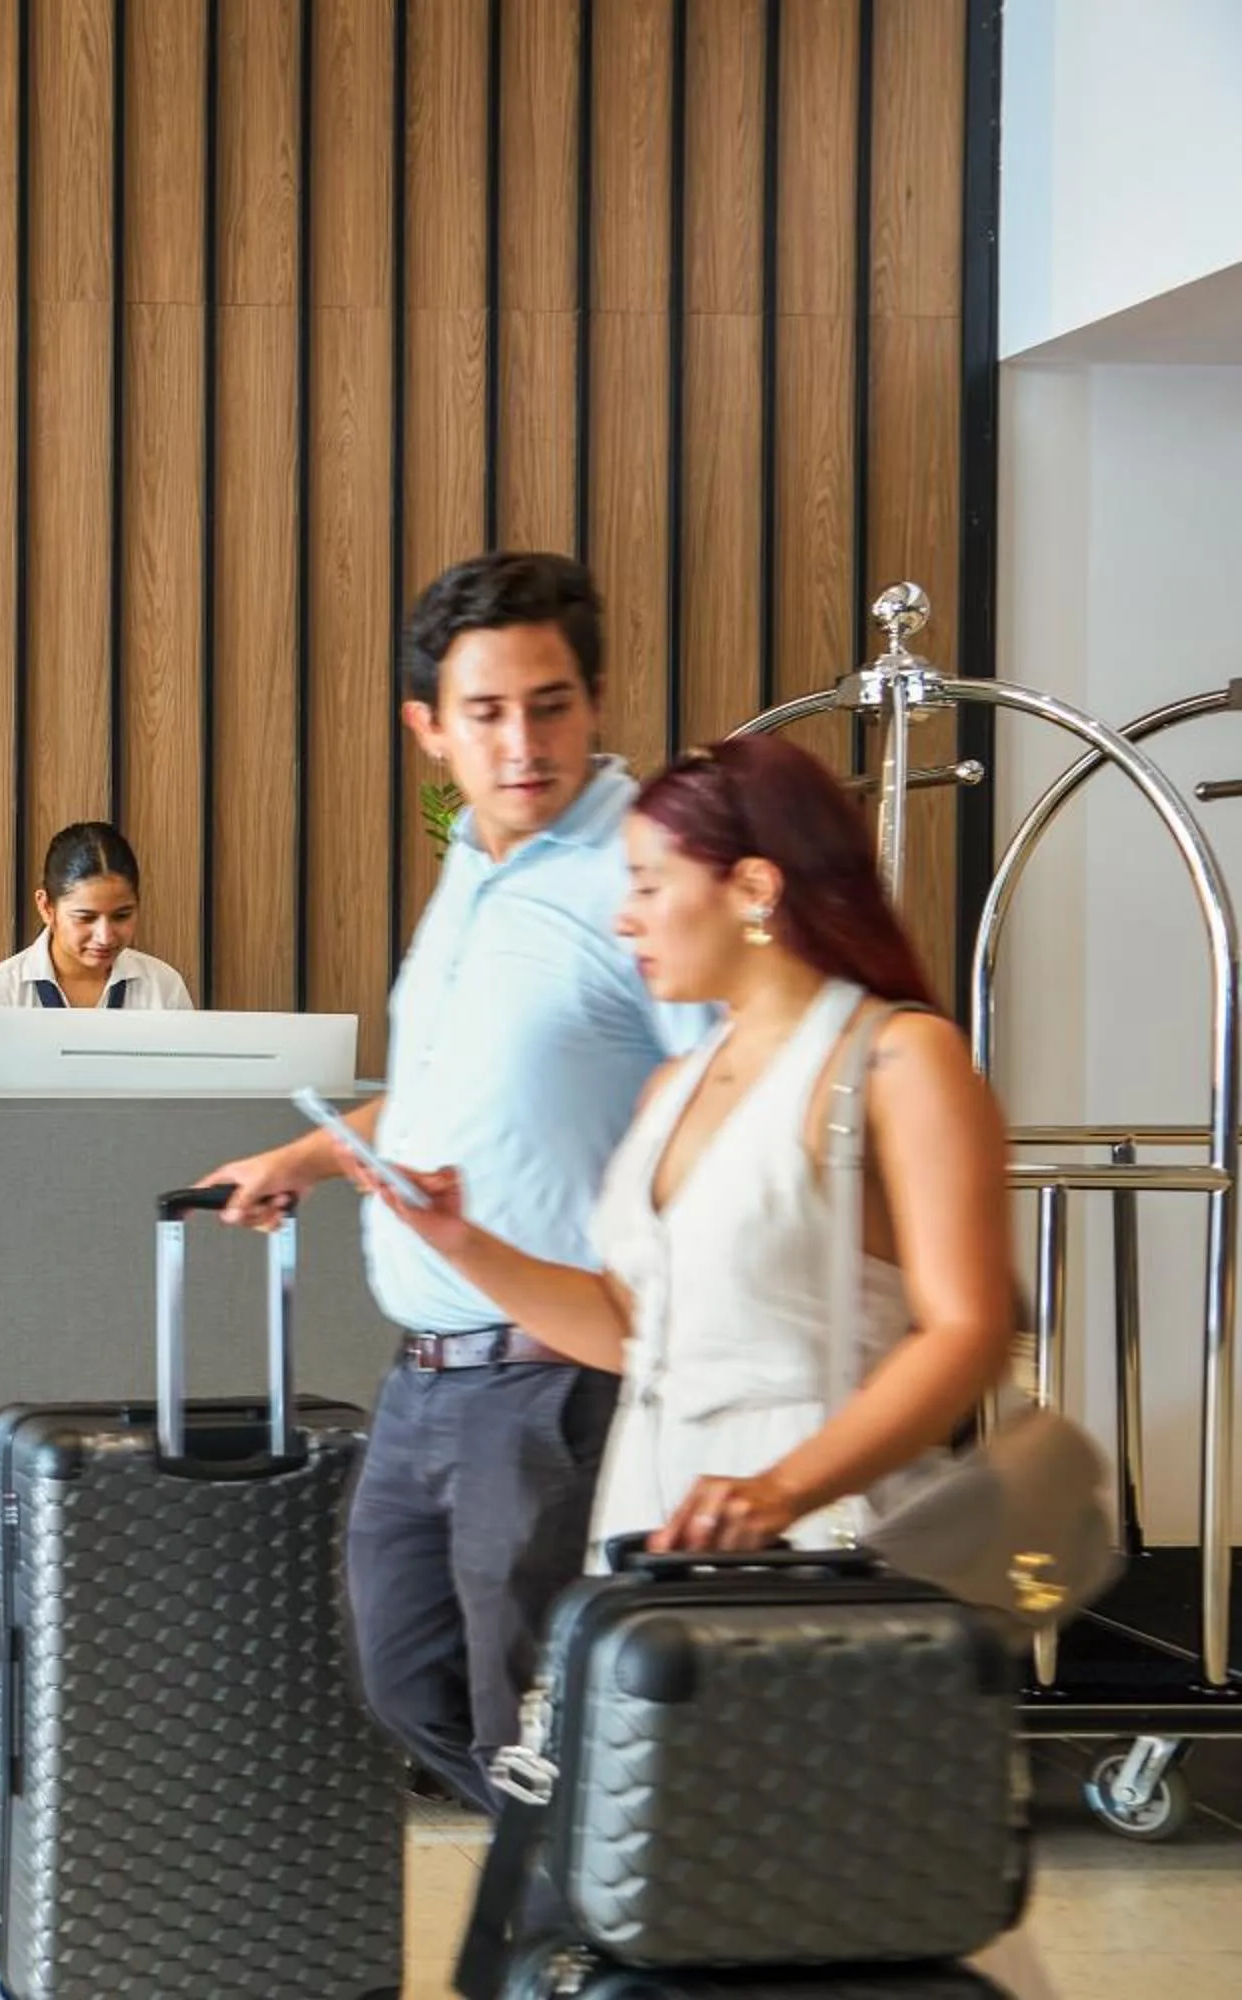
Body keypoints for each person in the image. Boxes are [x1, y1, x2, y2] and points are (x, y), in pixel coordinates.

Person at [358, 733, 1056, 1998]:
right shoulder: (675, 1085)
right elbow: (633, 1326)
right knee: (656, 1910)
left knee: (828, 1906)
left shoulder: (900, 1061)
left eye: (645, 880)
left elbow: (965, 1333)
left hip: (831, 1545)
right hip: (653, 1533)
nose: (622, 914)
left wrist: (784, 1490)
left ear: (753, 887)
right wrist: (462, 1242)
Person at [196, 552, 712, 1815]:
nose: (523, 742)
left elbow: (732, 1093)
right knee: (407, 1680)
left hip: (552, 1380)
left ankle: (579, 1944)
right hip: (423, 1373)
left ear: (596, 701)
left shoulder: (640, 874)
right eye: (487, 713)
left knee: (540, 1731)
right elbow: (447, 1091)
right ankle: (572, 1922)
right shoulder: (474, 868)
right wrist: (312, 1156)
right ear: (430, 730)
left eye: (551, 704)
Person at [0, 821, 197, 1090]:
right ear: (46, 907)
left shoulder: (163, 988)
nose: (105, 936)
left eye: (122, 916)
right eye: (86, 917)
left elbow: (191, 1104)